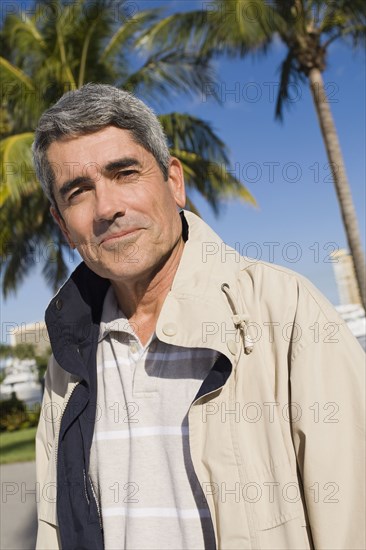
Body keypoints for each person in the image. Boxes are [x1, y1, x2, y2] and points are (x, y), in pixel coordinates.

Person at [33, 83, 365, 550]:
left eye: (124, 172)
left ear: (173, 182)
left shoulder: (282, 309)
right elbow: (53, 526)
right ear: (63, 225)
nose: (108, 208)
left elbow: (352, 515)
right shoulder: (69, 359)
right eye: (79, 192)